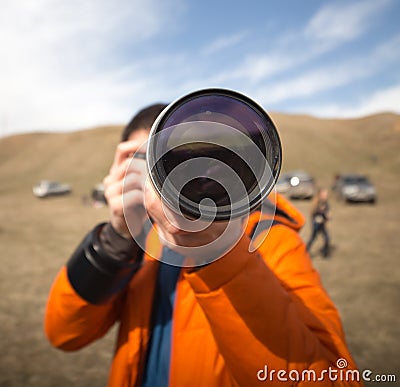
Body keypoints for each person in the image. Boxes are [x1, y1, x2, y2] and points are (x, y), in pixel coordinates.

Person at [45, 104, 361, 386]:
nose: (160, 180)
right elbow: (65, 334)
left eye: (171, 159)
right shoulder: (141, 246)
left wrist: (218, 251)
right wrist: (118, 235)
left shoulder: (270, 240)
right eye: (144, 163)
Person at [306, 188, 331, 258]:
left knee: (327, 238)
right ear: (320, 195)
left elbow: (327, 213)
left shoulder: (326, 203)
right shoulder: (316, 202)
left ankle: (325, 254)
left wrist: (327, 216)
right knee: (313, 238)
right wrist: (321, 211)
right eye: (324, 194)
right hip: (316, 224)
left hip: (322, 224)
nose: (326, 195)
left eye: (326, 194)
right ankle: (305, 251)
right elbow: (313, 213)